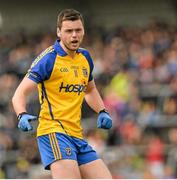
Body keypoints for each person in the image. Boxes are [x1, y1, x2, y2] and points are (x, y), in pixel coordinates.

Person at [12, 8, 113, 179]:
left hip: (76, 134)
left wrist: (102, 111)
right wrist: (21, 114)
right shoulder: (48, 59)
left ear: (83, 31)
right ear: (59, 32)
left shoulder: (85, 58)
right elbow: (19, 93)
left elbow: (90, 89)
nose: (74, 35)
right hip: (53, 132)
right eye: (69, 31)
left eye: (78, 30)